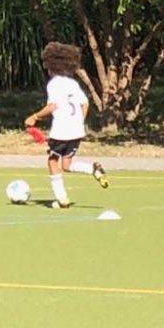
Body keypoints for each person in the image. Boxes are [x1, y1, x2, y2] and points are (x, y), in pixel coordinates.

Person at [24, 42, 108, 209]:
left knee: (52, 161)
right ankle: (93, 169)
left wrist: (34, 117)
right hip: (76, 130)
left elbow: (52, 106)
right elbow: (85, 104)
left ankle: (62, 198)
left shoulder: (54, 84)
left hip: (61, 131)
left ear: (51, 66)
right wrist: (79, 121)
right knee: (66, 165)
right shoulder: (72, 83)